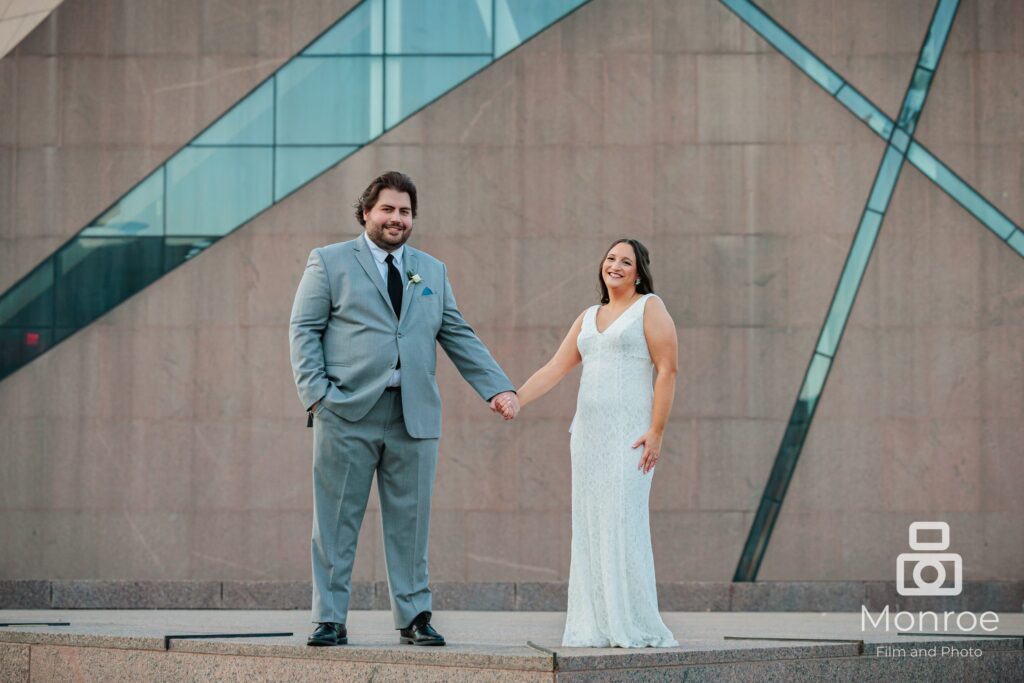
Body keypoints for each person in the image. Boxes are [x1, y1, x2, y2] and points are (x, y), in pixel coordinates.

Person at [289, 171, 519, 647]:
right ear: (367, 212)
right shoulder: (329, 262)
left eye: (405, 211)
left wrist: (497, 388)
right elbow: (303, 329)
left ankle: (414, 616)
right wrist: (317, 395)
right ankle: (330, 618)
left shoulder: (430, 270)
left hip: (413, 417)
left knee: (410, 522)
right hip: (346, 412)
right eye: (388, 209)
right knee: (335, 521)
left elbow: (457, 333)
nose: (397, 219)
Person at [508, 238, 679, 648]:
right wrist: (516, 397)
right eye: (610, 258)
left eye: (626, 261)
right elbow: (555, 367)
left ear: (639, 272)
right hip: (587, 437)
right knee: (590, 526)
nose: (615, 265)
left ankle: (631, 621)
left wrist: (656, 431)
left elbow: (668, 370)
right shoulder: (588, 316)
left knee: (622, 522)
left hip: (629, 436)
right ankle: (596, 624)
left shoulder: (649, 307)